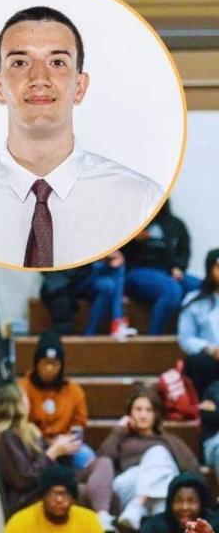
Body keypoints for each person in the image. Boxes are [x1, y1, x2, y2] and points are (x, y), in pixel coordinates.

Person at [0, 6, 162, 268]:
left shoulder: (140, 201)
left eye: (57, 62)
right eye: (20, 63)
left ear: (79, 87)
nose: (39, 78)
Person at [0, 382, 116, 530]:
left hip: (52, 481)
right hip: (32, 496)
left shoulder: (28, 431)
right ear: (15, 404)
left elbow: (48, 464)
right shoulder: (6, 437)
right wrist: (53, 452)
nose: (28, 399)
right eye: (24, 396)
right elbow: (24, 479)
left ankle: (102, 516)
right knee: (98, 494)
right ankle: (103, 520)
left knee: (103, 464)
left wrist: (62, 448)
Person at [96, 385, 200, 531]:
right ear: (130, 413)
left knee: (163, 470)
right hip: (127, 487)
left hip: (159, 493)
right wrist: (119, 431)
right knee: (158, 454)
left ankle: (140, 510)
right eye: (138, 409)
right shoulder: (123, 439)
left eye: (148, 410)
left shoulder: (169, 441)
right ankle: (139, 506)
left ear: (156, 414)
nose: (143, 415)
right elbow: (102, 463)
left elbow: (192, 469)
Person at [122, 201, 203, 334]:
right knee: (172, 290)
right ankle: (154, 340)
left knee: (202, 288)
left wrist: (178, 267)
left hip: (168, 271)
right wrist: (133, 241)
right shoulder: (133, 222)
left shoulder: (175, 224)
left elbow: (184, 251)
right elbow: (118, 255)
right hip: (137, 270)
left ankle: (187, 335)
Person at [18, 332, 96, 468]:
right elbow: (20, 424)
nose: (49, 368)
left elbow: (79, 424)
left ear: (61, 366)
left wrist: (67, 441)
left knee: (89, 459)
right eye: (45, 363)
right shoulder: (23, 388)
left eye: (54, 364)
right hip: (33, 445)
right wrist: (48, 442)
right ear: (36, 364)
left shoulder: (74, 390)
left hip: (66, 444)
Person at [39, 251, 137, 339]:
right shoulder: (52, 236)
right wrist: (97, 255)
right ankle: (117, 322)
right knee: (117, 267)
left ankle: (91, 334)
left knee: (108, 284)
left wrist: (103, 255)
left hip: (83, 273)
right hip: (66, 281)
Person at [3, 466, 105, 532]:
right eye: (53, 494)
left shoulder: (88, 520)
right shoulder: (21, 524)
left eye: (65, 494)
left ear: (73, 498)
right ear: (42, 496)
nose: (59, 500)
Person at [178, 248, 219, 395]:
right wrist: (211, 349)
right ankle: (203, 406)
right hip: (210, 359)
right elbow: (186, 338)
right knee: (200, 362)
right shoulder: (194, 301)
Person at [140, 472, 219, 533]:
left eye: (191, 501)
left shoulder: (215, 525)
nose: (184, 507)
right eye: (178, 500)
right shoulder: (154, 527)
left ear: (202, 503)